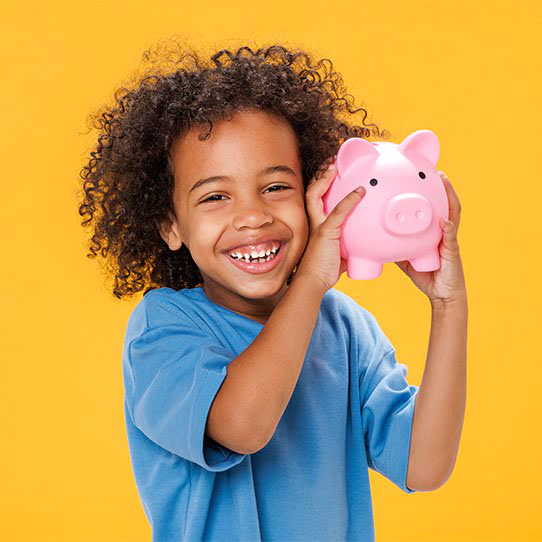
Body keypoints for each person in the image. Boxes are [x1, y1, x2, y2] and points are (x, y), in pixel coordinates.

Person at [77, 40, 468, 542]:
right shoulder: (163, 328)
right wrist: (311, 279)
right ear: (171, 225)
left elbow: (424, 466)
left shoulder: (345, 328)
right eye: (216, 196)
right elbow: (243, 426)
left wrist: (448, 304)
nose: (253, 216)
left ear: (315, 194)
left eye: (277, 187)